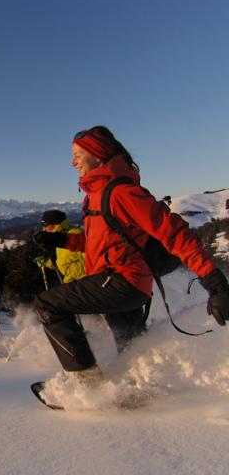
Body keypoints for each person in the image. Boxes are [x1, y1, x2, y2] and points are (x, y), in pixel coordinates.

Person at [32, 125, 229, 385]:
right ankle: (139, 389)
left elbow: (175, 233)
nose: (72, 162)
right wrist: (61, 239)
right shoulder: (96, 195)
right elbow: (99, 243)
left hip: (120, 282)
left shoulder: (120, 192)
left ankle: (88, 384)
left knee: (47, 304)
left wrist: (215, 282)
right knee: (131, 347)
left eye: (78, 154)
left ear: (97, 154)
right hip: (120, 282)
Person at [35, 209, 86, 284]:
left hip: (84, 281)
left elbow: (92, 261)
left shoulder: (76, 235)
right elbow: (60, 260)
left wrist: (71, 274)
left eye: (45, 225)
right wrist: (46, 262)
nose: (43, 229)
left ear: (55, 224)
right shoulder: (56, 238)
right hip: (70, 282)